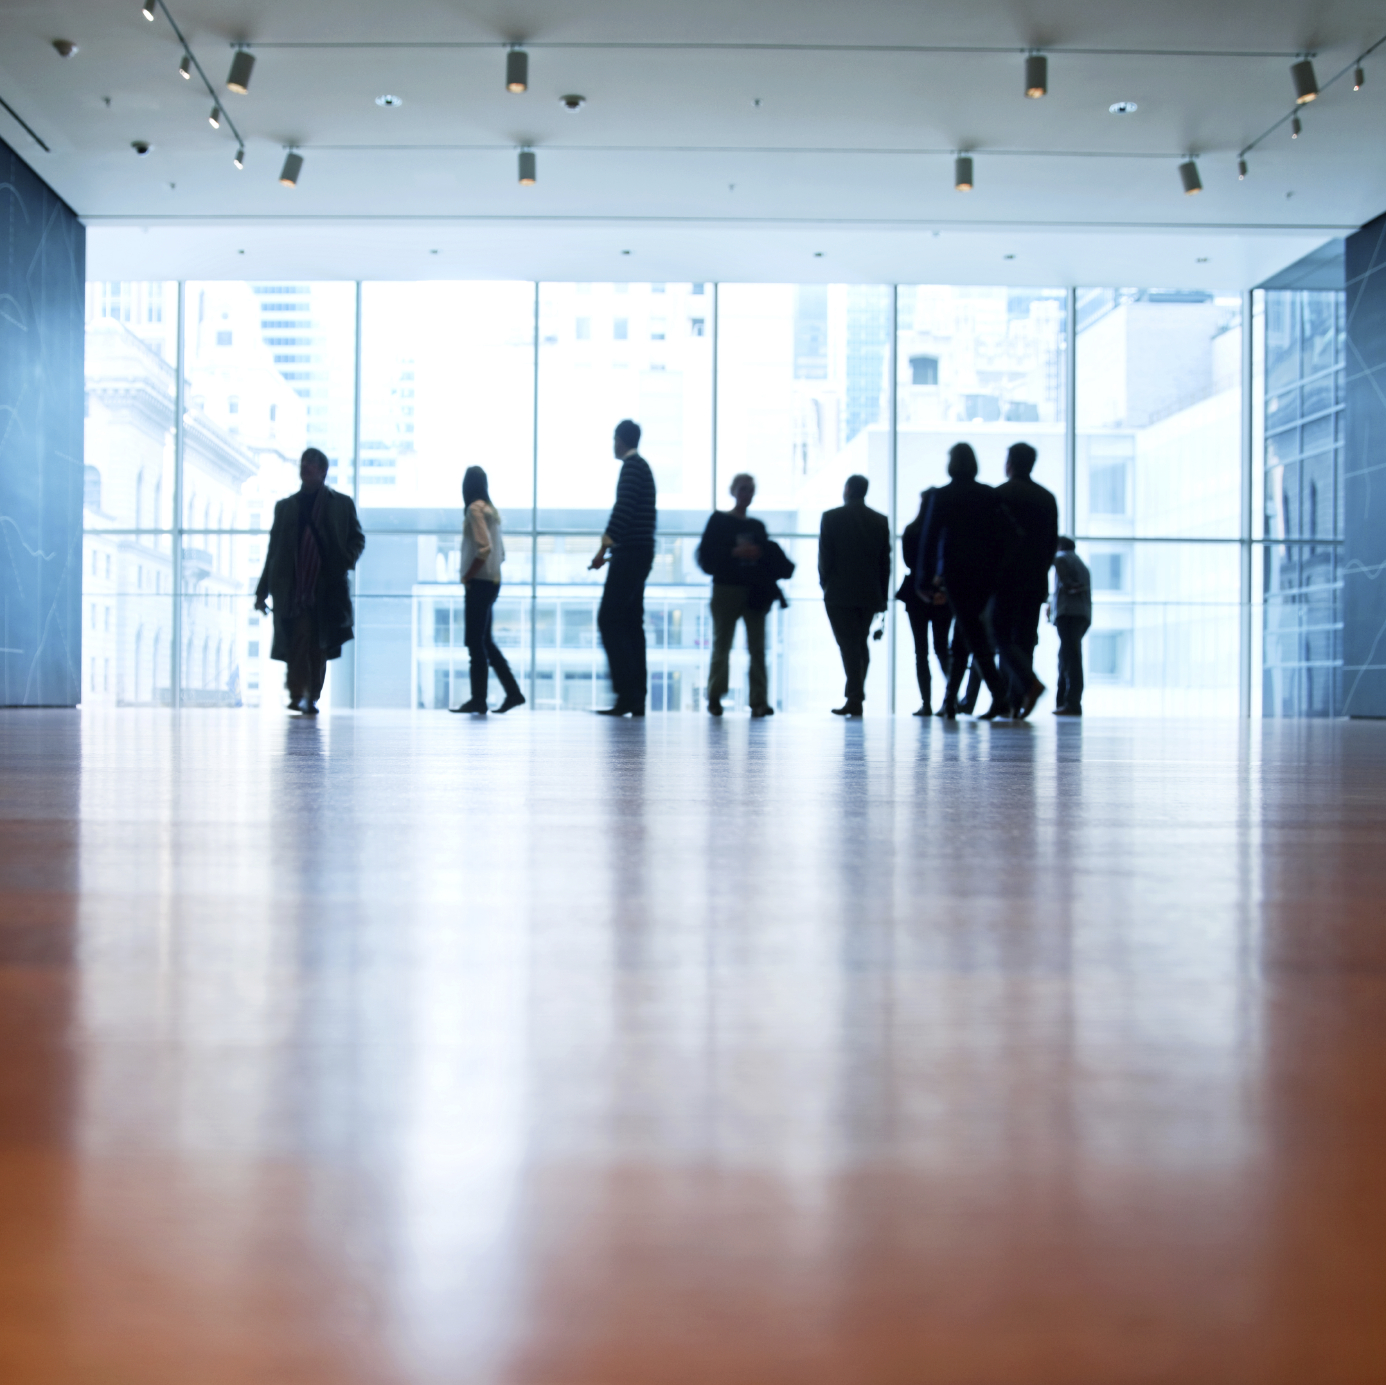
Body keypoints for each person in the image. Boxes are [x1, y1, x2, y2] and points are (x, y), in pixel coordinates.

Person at [254, 447, 365, 715]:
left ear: (323, 471)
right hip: (293, 588)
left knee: (318, 643)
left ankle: (309, 694)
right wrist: (263, 590)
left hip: (326, 587)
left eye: (311, 464)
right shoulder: (286, 507)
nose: (306, 467)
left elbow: (356, 539)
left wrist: (344, 561)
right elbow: (274, 552)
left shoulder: (340, 504)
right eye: (304, 463)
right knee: (299, 640)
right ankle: (301, 693)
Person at [916, 443, 1011, 720]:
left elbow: (930, 538)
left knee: (972, 634)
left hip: (956, 574)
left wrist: (924, 579)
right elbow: (1008, 535)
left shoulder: (943, 496)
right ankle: (950, 702)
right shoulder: (989, 495)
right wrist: (998, 568)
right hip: (984, 576)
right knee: (964, 635)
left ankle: (1000, 695)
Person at [590, 419, 657, 716]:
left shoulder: (631, 467)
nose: (612, 445)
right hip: (640, 554)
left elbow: (623, 509)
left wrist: (604, 548)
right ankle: (635, 697)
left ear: (621, 439)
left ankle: (625, 694)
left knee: (609, 619)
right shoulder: (643, 468)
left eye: (614, 439)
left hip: (629, 555)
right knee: (631, 624)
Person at [450, 466, 525, 716]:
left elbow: (485, 549)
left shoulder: (474, 510)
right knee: (485, 641)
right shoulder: (492, 511)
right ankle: (513, 693)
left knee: (475, 642)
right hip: (493, 581)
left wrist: (467, 575)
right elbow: (500, 553)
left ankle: (479, 700)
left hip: (479, 583)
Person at [697, 473, 773, 718]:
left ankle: (758, 701)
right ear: (733, 491)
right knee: (722, 645)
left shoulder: (757, 527)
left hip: (754, 591)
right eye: (742, 489)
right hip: (726, 589)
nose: (746, 494)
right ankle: (715, 697)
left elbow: (768, 560)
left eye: (750, 490)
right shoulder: (719, 521)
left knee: (757, 648)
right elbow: (706, 557)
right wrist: (735, 552)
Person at [994, 442, 1059, 719]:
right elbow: (1050, 545)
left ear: (1010, 463)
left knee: (1000, 634)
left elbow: (991, 543)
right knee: (1025, 638)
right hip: (1034, 580)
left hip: (1004, 579)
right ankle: (1018, 699)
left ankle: (1020, 689)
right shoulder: (1046, 498)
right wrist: (1041, 572)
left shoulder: (999, 495)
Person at [819, 474, 891, 717]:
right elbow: (885, 563)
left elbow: (825, 559)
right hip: (869, 593)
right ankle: (855, 696)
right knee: (859, 643)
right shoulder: (879, 520)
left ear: (848, 489)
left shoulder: (831, 518)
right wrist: (883, 596)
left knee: (849, 645)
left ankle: (855, 698)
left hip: (838, 593)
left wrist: (826, 585)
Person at [896, 488, 952, 716]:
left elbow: (909, 561)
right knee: (942, 649)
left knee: (921, 651)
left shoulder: (911, 530)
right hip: (943, 595)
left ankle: (926, 702)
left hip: (916, 594)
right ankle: (950, 699)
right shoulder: (946, 532)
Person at [1051, 537, 1092, 716]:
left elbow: (1067, 585)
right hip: (1083, 614)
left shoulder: (1061, 559)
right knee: (1068, 656)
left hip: (1068, 613)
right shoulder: (1082, 565)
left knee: (1070, 658)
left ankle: (1071, 703)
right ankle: (1066, 702)